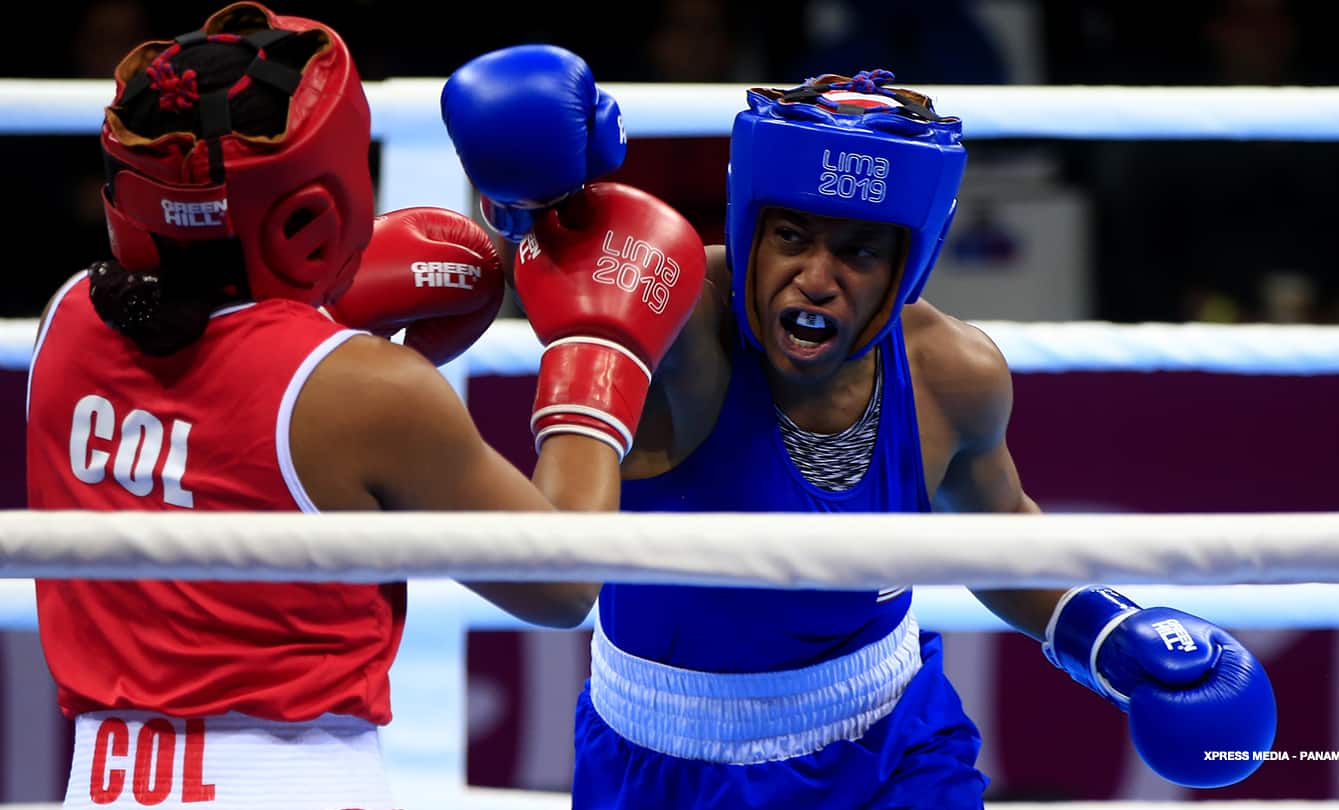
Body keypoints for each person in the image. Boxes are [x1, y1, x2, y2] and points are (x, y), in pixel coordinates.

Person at [443, 52, 1277, 809]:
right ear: (748, 233)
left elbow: (1000, 533)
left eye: (858, 252)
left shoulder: (955, 375)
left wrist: (1110, 635)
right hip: (664, 762)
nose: (816, 279)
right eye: (793, 238)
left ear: (908, 263)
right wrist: (526, 206)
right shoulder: (679, 326)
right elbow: (576, 253)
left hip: (891, 744)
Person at [25, 4, 702, 808]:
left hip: (97, 781)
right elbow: (561, 583)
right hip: (297, 784)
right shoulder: (365, 392)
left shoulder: (65, 322)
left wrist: (324, 311)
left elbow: (221, 371)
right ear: (314, 205)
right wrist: (601, 351)